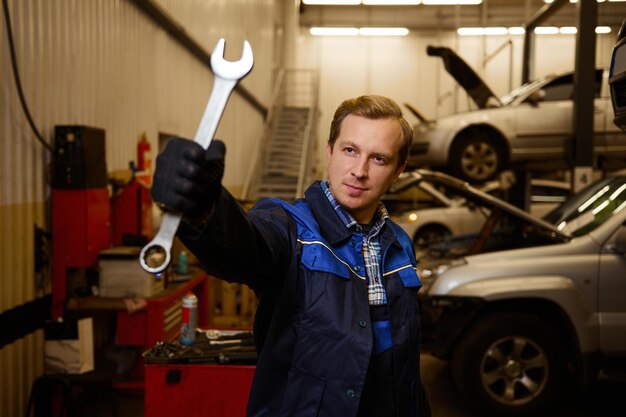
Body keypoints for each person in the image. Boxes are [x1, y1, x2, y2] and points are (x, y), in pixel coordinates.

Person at [151, 94, 430, 417]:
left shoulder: (400, 243)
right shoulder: (289, 227)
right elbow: (246, 248)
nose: (359, 171)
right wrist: (204, 210)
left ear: (398, 170)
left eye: (378, 159)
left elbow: (406, 363)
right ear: (329, 151)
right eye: (350, 150)